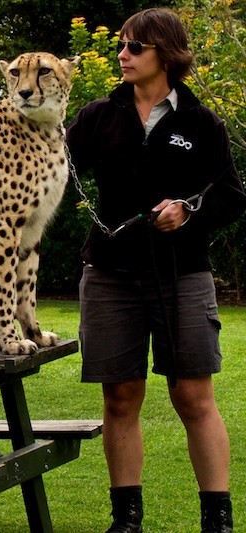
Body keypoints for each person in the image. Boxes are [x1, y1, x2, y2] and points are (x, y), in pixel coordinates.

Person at [66, 8, 246, 533]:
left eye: (134, 47)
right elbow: (52, 166)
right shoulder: (97, 116)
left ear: (165, 54)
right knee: (120, 396)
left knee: (192, 395)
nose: (122, 55)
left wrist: (189, 212)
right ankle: (126, 521)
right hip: (109, 274)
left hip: (182, 275)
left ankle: (217, 520)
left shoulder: (201, 122)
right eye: (121, 46)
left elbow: (232, 194)